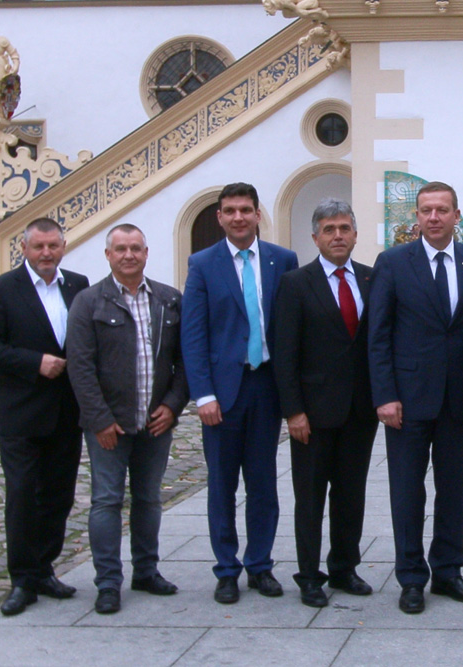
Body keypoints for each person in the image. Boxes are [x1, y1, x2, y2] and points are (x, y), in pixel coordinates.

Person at [368, 181, 463, 614]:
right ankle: (411, 577)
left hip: (459, 399)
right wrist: (385, 395)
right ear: (416, 217)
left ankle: (449, 571)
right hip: (408, 399)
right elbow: (378, 334)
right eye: (426, 210)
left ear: (457, 215)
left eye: (442, 210)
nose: (433, 217)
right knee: (407, 491)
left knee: (453, 488)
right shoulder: (393, 263)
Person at [181, 182, 298, 604]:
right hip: (223, 392)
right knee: (222, 486)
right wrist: (203, 395)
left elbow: (290, 328)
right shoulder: (202, 264)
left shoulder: (282, 260)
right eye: (230, 211)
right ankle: (227, 569)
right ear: (219, 217)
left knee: (263, 483)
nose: (238, 217)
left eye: (245, 210)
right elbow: (193, 335)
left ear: (257, 214)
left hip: (266, 386)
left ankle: (260, 565)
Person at [65, 224, 189, 615]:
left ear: (146, 253)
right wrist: (99, 420)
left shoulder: (169, 300)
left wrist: (172, 406)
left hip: (155, 422)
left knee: (149, 499)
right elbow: (80, 366)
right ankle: (107, 582)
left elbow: (186, 360)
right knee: (106, 500)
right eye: (120, 249)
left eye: (136, 248)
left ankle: (146, 571)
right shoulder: (88, 302)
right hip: (110, 426)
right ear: (108, 255)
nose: (129, 255)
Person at [0, 217, 89, 616]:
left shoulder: (78, 285)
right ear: (24, 249)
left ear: (63, 246)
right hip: (20, 413)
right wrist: (34, 362)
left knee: (59, 495)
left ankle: (44, 569)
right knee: (22, 495)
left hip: (67, 412)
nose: (46, 253)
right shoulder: (2, 289)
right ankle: (22, 579)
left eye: (53, 246)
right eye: (38, 246)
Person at [274, 199, 378, 608]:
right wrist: (293, 411)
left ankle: (344, 567)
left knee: (351, 494)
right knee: (311, 497)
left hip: (360, 410)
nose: (338, 236)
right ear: (315, 237)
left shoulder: (371, 279)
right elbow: (285, 353)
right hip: (313, 414)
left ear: (355, 234)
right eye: (329, 229)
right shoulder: (295, 283)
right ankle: (309, 575)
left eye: (344, 228)